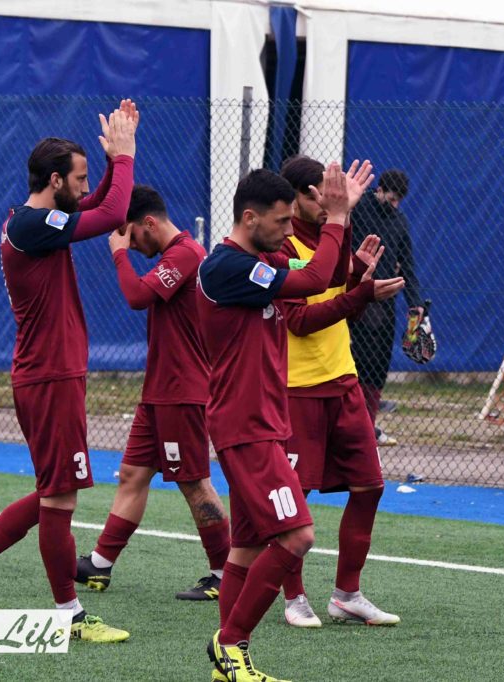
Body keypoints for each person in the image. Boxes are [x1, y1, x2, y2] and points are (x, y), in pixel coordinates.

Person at [0, 101, 141, 643]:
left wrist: (110, 164)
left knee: (53, 493)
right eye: (79, 177)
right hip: (48, 377)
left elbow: (97, 204)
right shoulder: (30, 224)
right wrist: (125, 157)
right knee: (59, 499)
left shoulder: (38, 221)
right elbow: (111, 214)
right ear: (54, 181)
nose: (85, 185)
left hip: (52, 374)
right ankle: (69, 614)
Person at [197, 166, 350, 681]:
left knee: (245, 548)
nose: (289, 232)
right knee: (297, 536)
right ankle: (230, 644)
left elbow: (330, 272)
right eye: (282, 222)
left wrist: (338, 217)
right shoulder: (228, 266)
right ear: (249, 218)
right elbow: (313, 280)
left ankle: (230, 663)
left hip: (263, 424)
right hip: (247, 428)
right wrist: (336, 217)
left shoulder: (263, 258)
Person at [73, 185, 231, 601]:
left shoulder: (186, 253)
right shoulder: (172, 256)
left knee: (194, 483)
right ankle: (101, 563)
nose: (130, 243)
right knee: (133, 474)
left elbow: (137, 296)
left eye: (132, 235)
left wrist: (118, 255)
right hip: (159, 390)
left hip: (182, 391)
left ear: (148, 223)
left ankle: (225, 573)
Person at [277, 155, 403, 629]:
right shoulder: (280, 244)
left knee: (370, 485)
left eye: (330, 192)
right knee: (295, 499)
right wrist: (359, 292)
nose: (326, 200)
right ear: (293, 197)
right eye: (318, 193)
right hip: (298, 389)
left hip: (343, 381)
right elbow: (299, 321)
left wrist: (355, 278)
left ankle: (347, 594)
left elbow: (339, 303)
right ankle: (294, 598)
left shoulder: (333, 233)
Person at [350, 169, 424, 446]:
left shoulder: (399, 221)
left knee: (377, 368)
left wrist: (415, 303)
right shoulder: (358, 208)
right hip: (353, 298)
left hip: (383, 303)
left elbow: (408, 265)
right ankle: (349, 427)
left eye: (398, 201)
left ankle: (367, 428)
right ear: (379, 190)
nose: (394, 205)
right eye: (391, 199)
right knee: (354, 366)